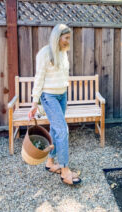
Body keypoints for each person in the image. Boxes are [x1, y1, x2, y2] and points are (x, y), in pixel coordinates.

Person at [28, 24, 81, 186]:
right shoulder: (45, 53)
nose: (68, 41)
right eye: (66, 38)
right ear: (57, 37)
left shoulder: (63, 52)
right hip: (49, 96)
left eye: (69, 38)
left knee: (55, 129)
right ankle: (65, 170)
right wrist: (34, 102)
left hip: (62, 95)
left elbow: (63, 74)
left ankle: (50, 162)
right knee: (62, 130)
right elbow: (39, 77)